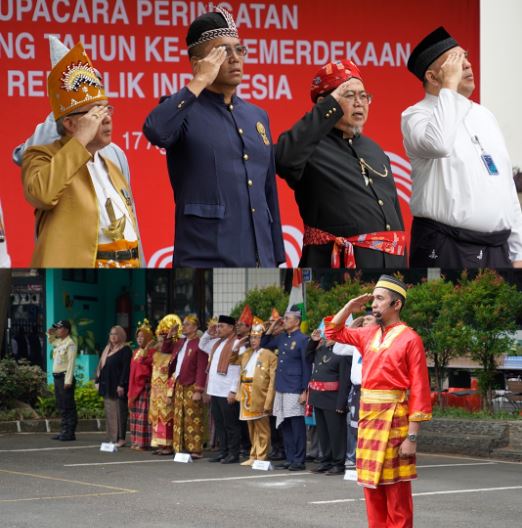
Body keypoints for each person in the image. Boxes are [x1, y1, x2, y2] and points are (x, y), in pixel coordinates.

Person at [142, 6, 285, 267]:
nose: (234, 58)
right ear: (199, 62)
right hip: (204, 255)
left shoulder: (257, 116)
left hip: (258, 256)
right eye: (222, 52)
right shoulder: (183, 110)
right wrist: (199, 82)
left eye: (239, 50)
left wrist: (274, 257)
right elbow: (155, 130)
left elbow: (268, 191)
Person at [402, 26, 522, 268]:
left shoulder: (484, 114)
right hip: (446, 246)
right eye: (454, 61)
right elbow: (438, 144)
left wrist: (518, 252)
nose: (466, 65)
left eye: (465, 56)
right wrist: (449, 89)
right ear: (433, 77)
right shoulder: (415, 115)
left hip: (498, 250)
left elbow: (506, 186)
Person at [21, 36, 142, 268]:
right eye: (95, 113)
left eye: (107, 110)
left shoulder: (113, 164)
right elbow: (42, 194)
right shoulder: (41, 156)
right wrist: (80, 140)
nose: (106, 119)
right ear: (69, 123)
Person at [324, 275, 432, 528]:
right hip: (369, 418)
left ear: (397, 305)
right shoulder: (368, 333)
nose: (373, 304)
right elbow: (332, 331)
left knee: (397, 492)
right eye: (373, 298)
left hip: (396, 420)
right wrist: (350, 307)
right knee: (371, 488)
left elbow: (419, 388)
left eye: (380, 298)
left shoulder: (410, 339)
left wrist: (412, 437)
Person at [276, 60, 406, 268]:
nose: (359, 102)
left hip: (389, 261)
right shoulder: (308, 147)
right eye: (348, 95)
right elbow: (283, 158)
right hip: (335, 264)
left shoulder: (376, 151)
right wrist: (328, 108)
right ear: (325, 103)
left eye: (363, 96)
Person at [261, 307, 311, 471]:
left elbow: (306, 366)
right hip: (281, 386)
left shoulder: (302, 339)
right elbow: (264, 343)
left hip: (295, 387)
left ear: (297, 321)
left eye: (288, 319)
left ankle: (299, 459)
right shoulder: (282, 337)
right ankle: (290, 458)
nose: (285, 321)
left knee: (296, 424)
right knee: (285, 424)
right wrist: (273, 324)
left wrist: (305, 390)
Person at [306, 329, 351, 476]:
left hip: (333, 399)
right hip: (318, 397)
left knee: (336, 433)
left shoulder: (343, 353)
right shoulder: (322, 349)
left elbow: (344, 381)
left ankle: (338, 463)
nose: (327, 338)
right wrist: (313, 341)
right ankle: (325, 461)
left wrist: (341, 403)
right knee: (323, 433)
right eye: (327, 335)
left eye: (331, 335)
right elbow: (307, 356)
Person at [164, 315, 208, 458]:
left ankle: (195, 449)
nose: (184, 326)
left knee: (193, 417)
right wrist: (170, 336)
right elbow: (165, 350)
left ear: (195, 327)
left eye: (187, 324)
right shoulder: (181, 342)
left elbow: (202, 367)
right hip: (179, 384)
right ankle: (180, 446)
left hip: (192, 385)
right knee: (179, 416)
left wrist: (199, 389)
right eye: (183, 324)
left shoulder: (199, 343)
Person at [199, 315, 241, 463]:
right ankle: (223, 452)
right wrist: (208, 332)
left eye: (222, 326)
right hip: (215, 390)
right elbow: (202, 345)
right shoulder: (216, 343)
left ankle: (233, 453)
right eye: (218, 326)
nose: (219, 329)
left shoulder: (237, 344)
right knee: (219, 424)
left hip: (227, 391)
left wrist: (234, 390)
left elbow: (238, 369)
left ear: (231, 328)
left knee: (231, 425)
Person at [236, 323, 277, 466]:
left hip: (260, 393)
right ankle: (253, 455)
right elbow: (231, 360)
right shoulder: (247, 353)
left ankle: (262, 456)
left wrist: (269, 401)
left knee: (262, 428)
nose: (253, 341)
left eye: (257, 338)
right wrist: (237, 346)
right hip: (246, 392)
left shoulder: (270, 355)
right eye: (252, 338)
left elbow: (272, 381)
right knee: (251, 426)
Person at [149, 314, 182, 455]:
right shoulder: (156, 353)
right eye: (161, 334)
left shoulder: (173, 354)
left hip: (166, 389)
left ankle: (168, 445)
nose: (162, 338)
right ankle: (159, 444)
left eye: (165, 335)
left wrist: (169, 391)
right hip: (156, 391)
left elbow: (173, 374)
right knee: (156, 417)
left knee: (167, 418)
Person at [95, 326, 132, 447]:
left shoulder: (125, 349)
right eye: (111, 334)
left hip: (118, 386)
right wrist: (97, 380)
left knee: (119, 412)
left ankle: (121, 438)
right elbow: (101, 366)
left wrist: (121, 384)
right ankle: (112, 437)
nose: (113, 336)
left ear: (121, 335)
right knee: (110, 411)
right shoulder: (107, 349)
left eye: (116, 334)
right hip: (107, 384)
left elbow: (126, 369)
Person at [47, 320, 77, 441]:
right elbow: (51, 340)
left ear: (66, 330)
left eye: (60, 328)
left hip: (65, 377)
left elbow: (71, 363)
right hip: (57, 377)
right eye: (57, 328)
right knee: (61, 405)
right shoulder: (60, 342)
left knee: (68, 406)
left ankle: (70, 432)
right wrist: (50, 333)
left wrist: (68, 380)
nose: (57, 330)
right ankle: (64, 430)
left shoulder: (70, 344)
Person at [128, 319, 155, 450]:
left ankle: (143, 442)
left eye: (142, 336)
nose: (139, 339)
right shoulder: (135, 352)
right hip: (134, 388)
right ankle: (135, 441)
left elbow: (148, 369)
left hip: (145, 388)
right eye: (138, 336)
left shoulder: (152, 352)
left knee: (143, 416)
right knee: (135, 415)